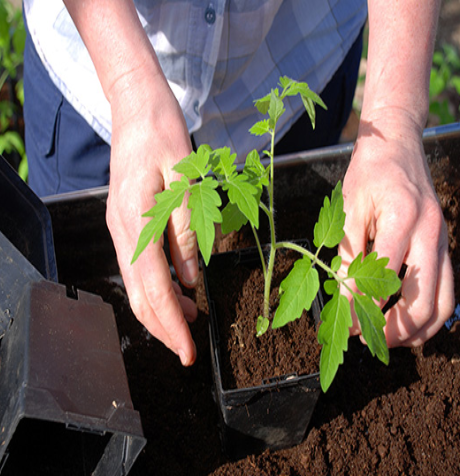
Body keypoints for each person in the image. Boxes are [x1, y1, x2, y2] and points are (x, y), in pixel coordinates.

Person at [22, 0, 454, 367]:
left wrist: (395, 118)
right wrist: (127, 83)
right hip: (97, 63)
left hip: (294, 47)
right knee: (75, 299)